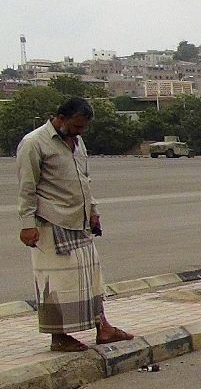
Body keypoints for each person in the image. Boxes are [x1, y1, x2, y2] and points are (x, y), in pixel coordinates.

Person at [16, 97, 133, 353]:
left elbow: (84, 180)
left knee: (91, 278)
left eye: (83, 128)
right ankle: (59, 337)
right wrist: (27, 224)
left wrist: (93, 211)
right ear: (60, 118)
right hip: (51, 221)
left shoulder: (78, 143)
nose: (80, 132)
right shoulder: (34, 143)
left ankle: (102, 327)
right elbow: (27, 188)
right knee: (58, 284)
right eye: (76, 126)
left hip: (78, 221)